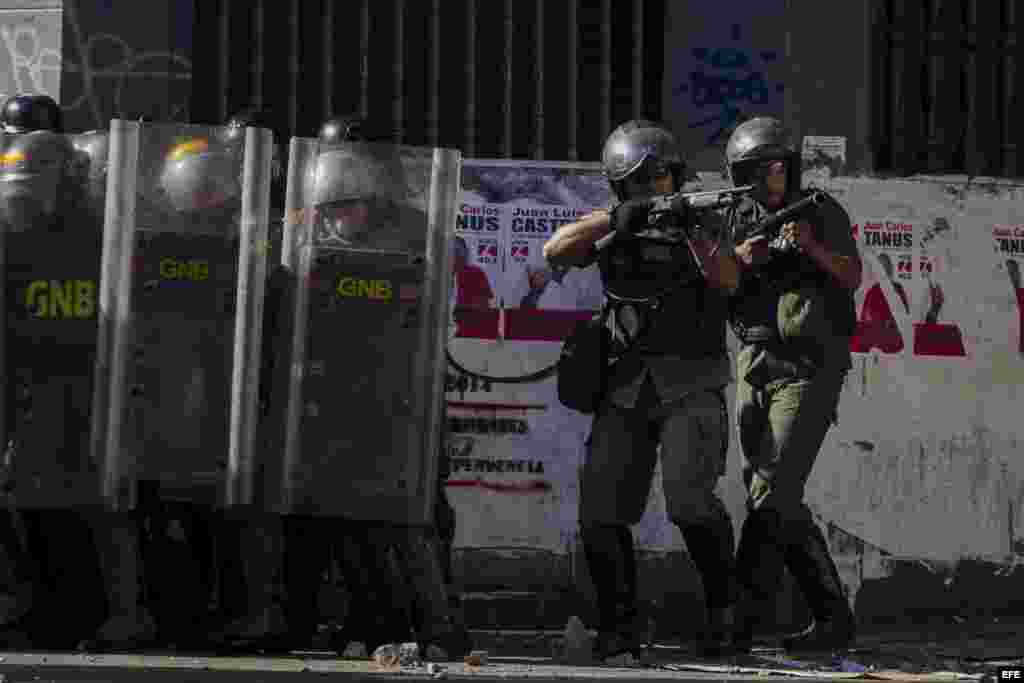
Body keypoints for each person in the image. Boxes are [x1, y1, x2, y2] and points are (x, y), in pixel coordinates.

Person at [542, 119, 742, 660]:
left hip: (691, 381)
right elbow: (554, 251)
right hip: (625, 383)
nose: (652, 190)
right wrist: (616, 221)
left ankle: (725, 613)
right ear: (620, 187)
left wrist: (692, 229)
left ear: (674, 175)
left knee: (689, 502)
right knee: (601, 512)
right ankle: (619, 627)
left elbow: (729, 279)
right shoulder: (614, 222)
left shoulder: (704, 216)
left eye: (659, 179)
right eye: (638, 183)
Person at [723, 116, 861, 652]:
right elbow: (718, 278)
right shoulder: (736, 216)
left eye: (777, 166)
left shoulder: (820, 211)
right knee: (773, 495)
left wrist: (810, 247)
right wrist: (740, 259)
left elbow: (852, 275)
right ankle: (833, 619)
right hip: (753, 360)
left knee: (774, 489)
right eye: (758, 169)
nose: (769, 175)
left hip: (809, 366)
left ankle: (740, 620)